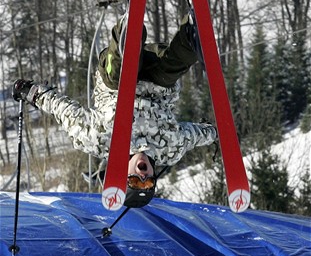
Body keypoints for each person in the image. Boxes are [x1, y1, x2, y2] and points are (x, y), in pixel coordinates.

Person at [12, 11, 217, 207]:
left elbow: (66, 112)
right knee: (172, 70)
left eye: (135, 182)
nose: (142, 177)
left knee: (118, 76)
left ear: (123, 175)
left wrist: (34, 94)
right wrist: (218, 134)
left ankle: (128, 37)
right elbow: (195, 135)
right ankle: (191, 33)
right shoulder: (171, 149)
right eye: (148, 183)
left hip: (115, 85)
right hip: (158, 77)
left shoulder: (100, 141)